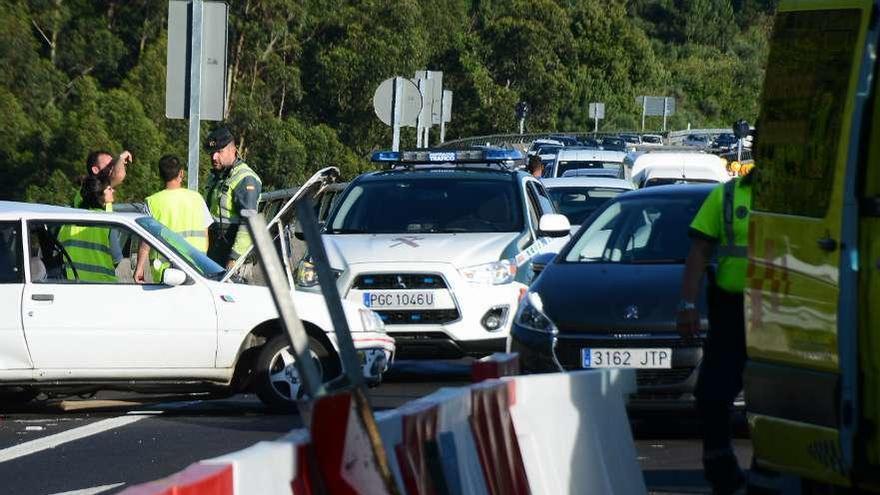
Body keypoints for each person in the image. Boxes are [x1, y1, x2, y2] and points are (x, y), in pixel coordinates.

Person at [677, 169, 755, 495]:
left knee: (779, 395)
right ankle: (720, 468)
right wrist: (687, 304)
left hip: (786, 310)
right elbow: (699, 252)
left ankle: (777, 467)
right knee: (712, 392)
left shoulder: (800, 194)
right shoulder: (726, 195)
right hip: (732, 310)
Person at [134, 155, 213, 284]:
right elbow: (205, 234)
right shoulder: (197, 198)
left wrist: (140, 267)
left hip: (167, 272)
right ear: (181, 173)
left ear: (160, 175)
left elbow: (145, 242)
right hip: (197, 269)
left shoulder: (152, 202)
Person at [203, 127, 262, 269]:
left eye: (219, 152)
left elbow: (248, 222)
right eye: (212, 152)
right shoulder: (217, 177)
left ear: (233, 149)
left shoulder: (245, 178)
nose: (214, 157)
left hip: (235, 260)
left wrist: (234, 259)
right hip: (216, 253)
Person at [58, 176, 117, 282]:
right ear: (100, 194)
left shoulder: (67, 222)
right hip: (104, 285)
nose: (113, 190)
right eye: (109, 189)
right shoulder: (107, 222)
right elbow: (117, 258)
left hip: (73, 283)